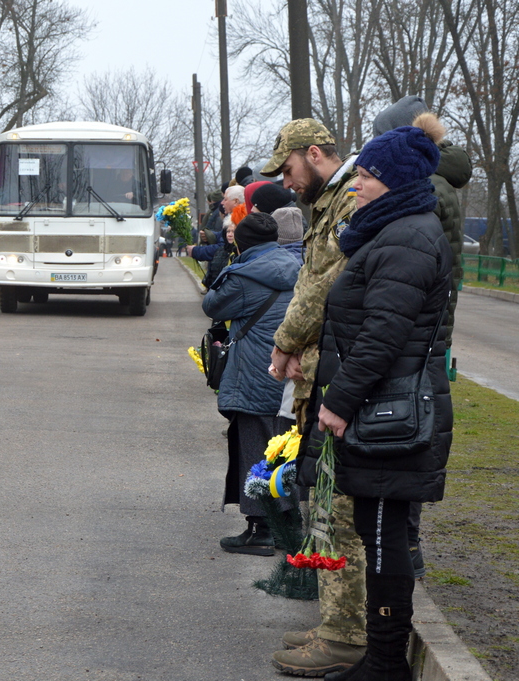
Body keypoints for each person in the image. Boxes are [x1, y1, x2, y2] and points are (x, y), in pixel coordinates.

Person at [301, 114, 453, 681]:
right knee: (377, 531)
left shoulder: (409, 237)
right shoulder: (391, 232)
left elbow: (383, 336)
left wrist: (338, 401)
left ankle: (387, 665)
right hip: (382, 414)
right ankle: (380, 658)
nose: (356, 184)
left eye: (366, 176)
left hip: (390, 419)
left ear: (395, 181)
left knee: (385, 537)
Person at [263, 119, 365, 677]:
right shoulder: (330, 202)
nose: (285, 178)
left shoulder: (346, 202)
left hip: (341, 369)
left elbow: (325, 285)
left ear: (315, 154)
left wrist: (286, 341)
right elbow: (310, 279)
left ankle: (345, 632)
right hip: (324, 363)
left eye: (288, 166)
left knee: (337, 506)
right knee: (324, 501)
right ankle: (335, 621)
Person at [370, 97, 472, 580]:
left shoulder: (426, 186)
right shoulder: (441, 181)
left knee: (408, 431)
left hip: (421, 327)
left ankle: (406, 550)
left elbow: (414, 269)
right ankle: (406, 545)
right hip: (433, 323)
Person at [202, 213, 301, 553]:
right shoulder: (299, 268)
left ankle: (260, 530)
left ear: (241, 242)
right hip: (290, 375)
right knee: (285, 449)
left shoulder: (243, 275)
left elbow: (211, 304)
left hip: (254, 377)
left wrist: (231, 265)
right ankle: (288, 524)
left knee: (254, 450)